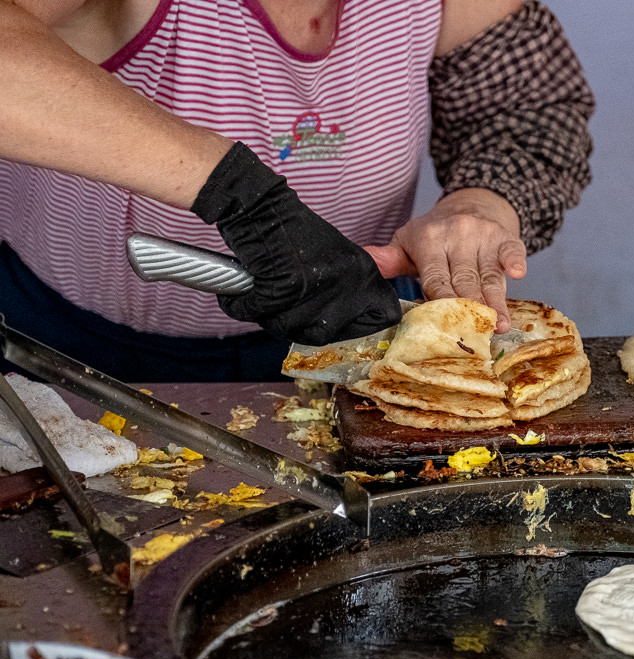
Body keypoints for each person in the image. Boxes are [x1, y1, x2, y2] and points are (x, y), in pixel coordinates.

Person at [0, 0, 594, 382]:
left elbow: (525, 103)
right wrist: (238, 193)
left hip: (361, 332)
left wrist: (477, 204)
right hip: (85, 348)